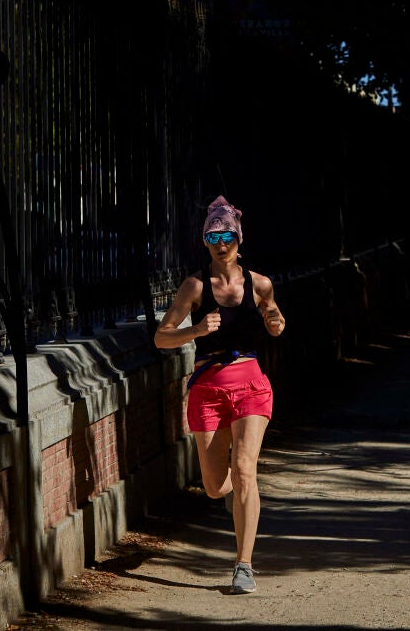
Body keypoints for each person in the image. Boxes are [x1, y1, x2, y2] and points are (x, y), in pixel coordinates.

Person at [154, 195, 286, 594]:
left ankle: (243, 565)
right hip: (208, 390)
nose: (221, 243)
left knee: (245, 469)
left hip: (250, 386)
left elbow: (276, 319)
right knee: (214, 486)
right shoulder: (194, 286)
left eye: (227, 235)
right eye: (213, 236)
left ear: (239, 239)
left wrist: (275, 320)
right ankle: (237, 492)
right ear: (205, 241)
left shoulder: (259, 283)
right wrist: (195, 330)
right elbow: (161, 338)